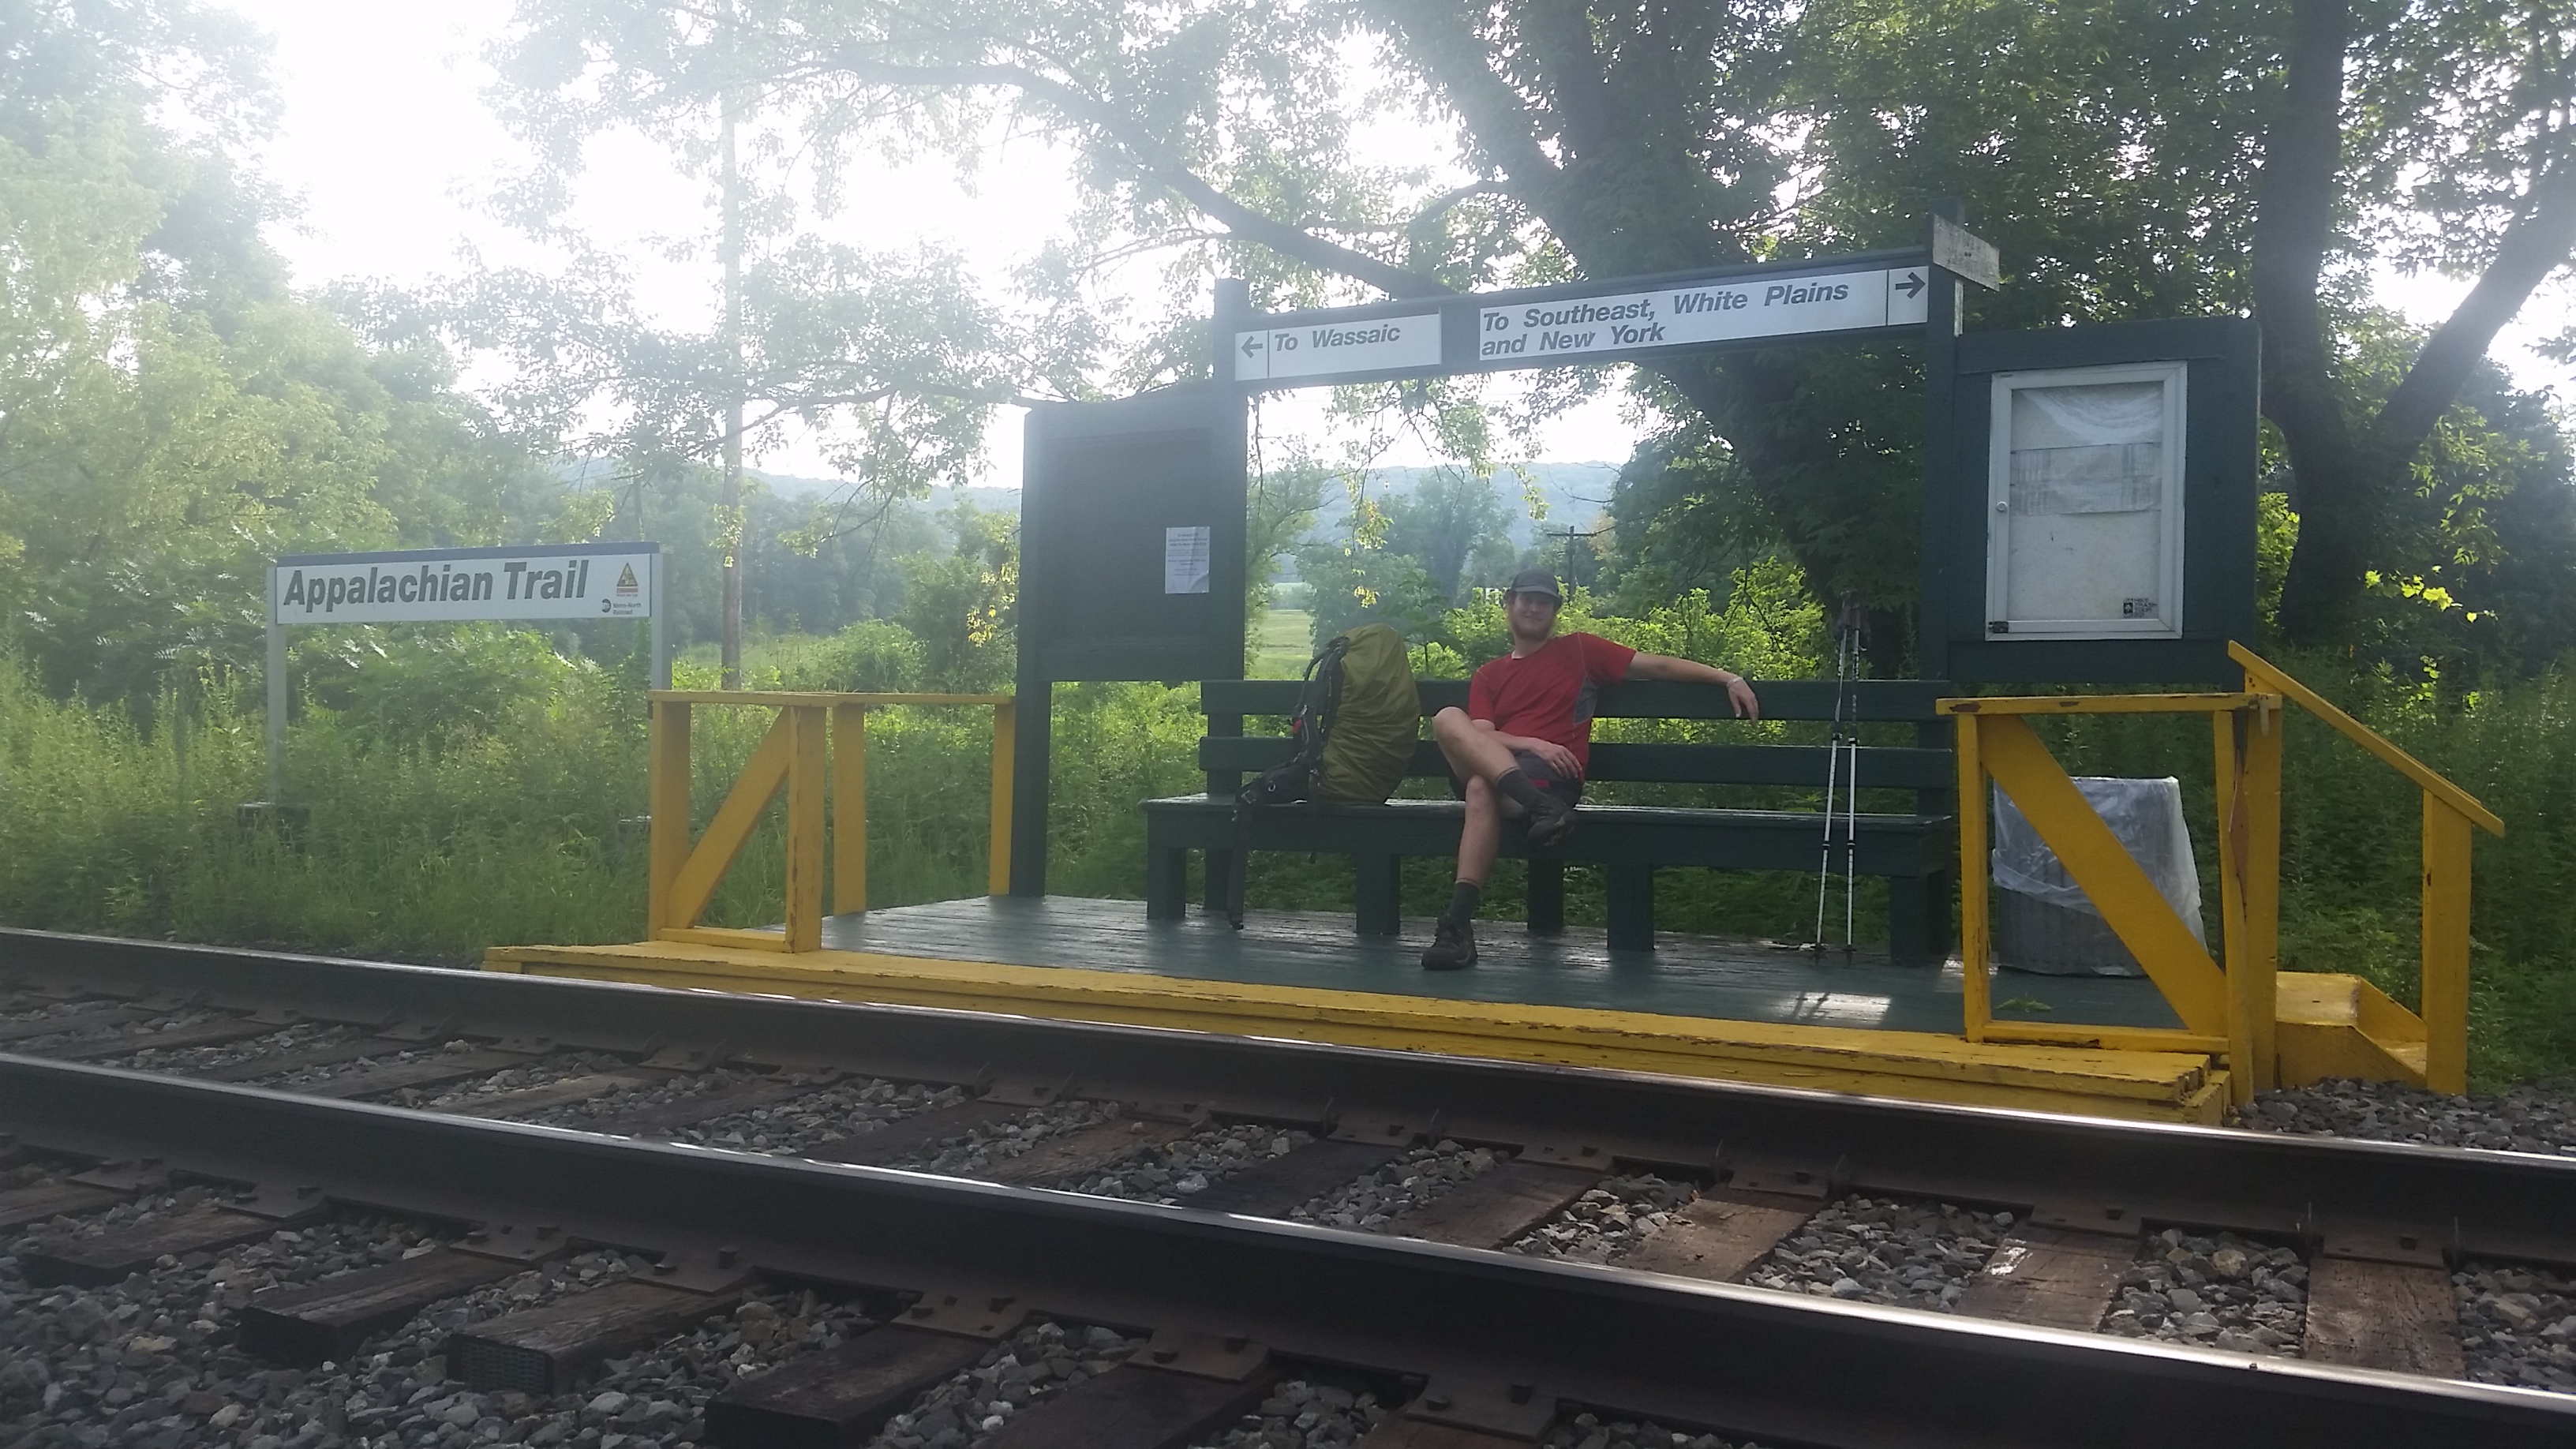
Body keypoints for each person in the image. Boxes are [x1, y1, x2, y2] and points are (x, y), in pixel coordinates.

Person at [1421, 568, 1762, 970]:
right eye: (1527, 599)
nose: (1534, 608)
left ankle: (1457, 927)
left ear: (1555, 612)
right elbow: (1479, 737)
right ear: (1509, 604)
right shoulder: (1489, 674)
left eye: (1544, 602)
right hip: (1519, 782)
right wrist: (1532, 742)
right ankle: (1544, 810)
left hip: (1551, 776)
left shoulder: (1580, 651)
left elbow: (1658, 667)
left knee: (1479, 787)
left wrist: (1728, 678)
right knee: (1447, 718)